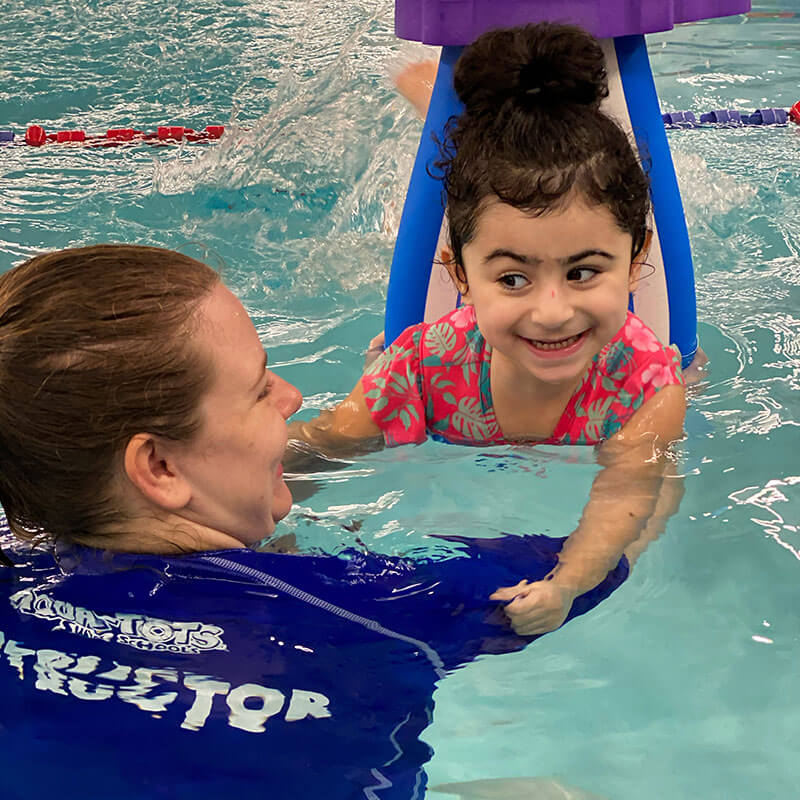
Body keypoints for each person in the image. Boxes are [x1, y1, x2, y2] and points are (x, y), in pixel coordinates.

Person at [0, 243, 627, 799]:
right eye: (256, 389)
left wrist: (328, 446)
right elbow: (599, 564)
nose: (291, 396)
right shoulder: (378, 606)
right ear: (160, 467)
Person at [287, 23, 687, 636]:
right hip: (445, 357)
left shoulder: (647, 387)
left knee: (664, 487)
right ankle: (435, 102)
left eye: (584, 271)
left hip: (628, 393)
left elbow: (622, 499)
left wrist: (568, 582)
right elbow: (315, 449)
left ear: (636, 264)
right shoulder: (420, 370)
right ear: (460, 277)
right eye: (513, 280)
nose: (552, 311)